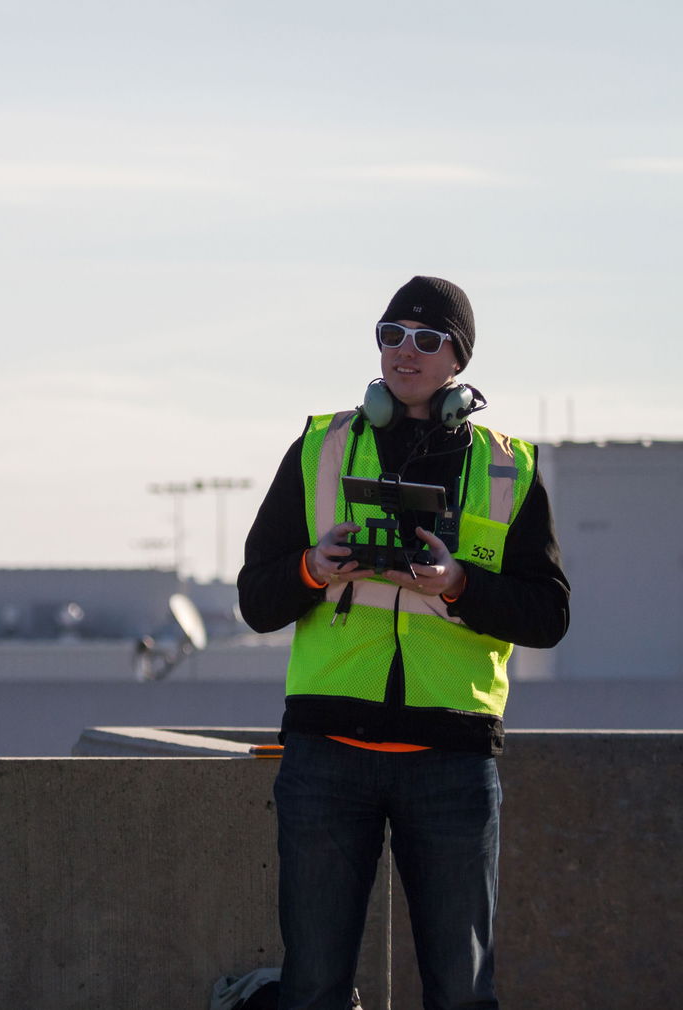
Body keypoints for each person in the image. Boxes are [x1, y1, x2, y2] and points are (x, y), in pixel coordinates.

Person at [236, 277, 570, 1010]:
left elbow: (548, 615)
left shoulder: (508, 466)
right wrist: (311, 568)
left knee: (460, 991)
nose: (404, 352)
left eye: (426, 338)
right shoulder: (320, 447)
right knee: (314, 987)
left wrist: (457, 586)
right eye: (391, 334)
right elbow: (256, 599)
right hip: (328, 752)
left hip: (452, 755)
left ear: (458, 361)